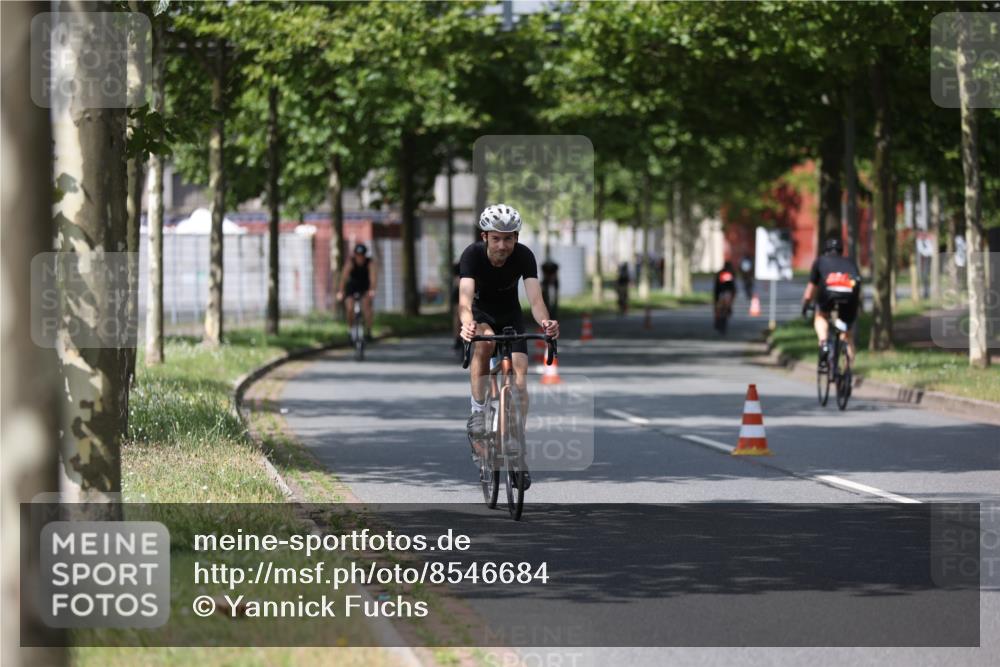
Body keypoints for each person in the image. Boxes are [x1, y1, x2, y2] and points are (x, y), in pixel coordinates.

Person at [458, 204, 559, 491]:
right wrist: (467, 324)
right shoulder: (472, 255)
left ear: (516, 238)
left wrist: (546, 322)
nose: (503, 245)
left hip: (511, 315)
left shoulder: (524, 255)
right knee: (485, 343)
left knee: (520, 374)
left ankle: (517, 444)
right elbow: (465, 300)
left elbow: (536, 301)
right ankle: (478, 414)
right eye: (496, 239)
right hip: (482, 314)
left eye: (509, 238)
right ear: (485, 237)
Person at [801, 237, 862, 366]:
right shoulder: (850, 262)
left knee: (821, 316)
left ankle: (823, 343)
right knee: (847, 333)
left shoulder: (820, 261)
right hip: (850, 295)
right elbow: (858, 283)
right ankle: (847, 372)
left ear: (825, 250)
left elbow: (811, 288)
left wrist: (806, 304)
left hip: (828, 293)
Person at [337, 243, 377, 342]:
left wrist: (372, 290)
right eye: (358, 255)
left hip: (365, 287)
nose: (360, 258)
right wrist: (341, 291)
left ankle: (368, 331)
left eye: (362, 255)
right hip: (352, 287)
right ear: (355, 255)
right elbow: (344, 278)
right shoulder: (350, 263)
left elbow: (373, 278)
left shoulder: (370, 263)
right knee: (350, 308)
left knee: (367, 308)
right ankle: (350, 331)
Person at [713, 261, 737, 332]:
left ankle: (718, 322)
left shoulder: (720, 273)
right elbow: (732, 286)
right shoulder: (729, 274)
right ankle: (722, 319)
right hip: (725, 294)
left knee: (719, 309)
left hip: (720, 294)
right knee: (724, 309)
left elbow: (716, 286)